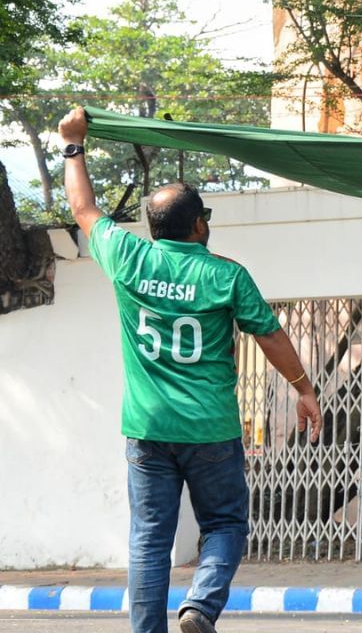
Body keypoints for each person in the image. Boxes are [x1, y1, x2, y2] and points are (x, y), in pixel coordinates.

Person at [57, 107, 324, 633]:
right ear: (199, 224)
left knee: (150, 538)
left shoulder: (129, 257)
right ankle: (200, 607)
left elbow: (83, 208)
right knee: (224, 523)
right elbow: (270, 335)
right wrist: (304, 389)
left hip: (147, 428)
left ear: (153, 225)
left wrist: (72, 144)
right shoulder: (226, 275)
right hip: (210, 429)